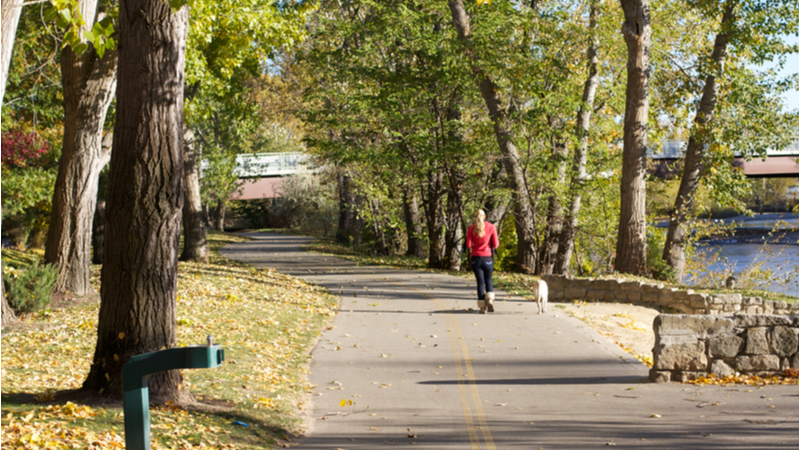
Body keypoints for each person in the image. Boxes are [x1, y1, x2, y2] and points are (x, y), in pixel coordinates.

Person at [466, 209, 499, 314]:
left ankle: (482, 307)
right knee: (488, 280)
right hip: (488, 258)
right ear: (484, 216)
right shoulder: (492, 227)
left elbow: (468, 245)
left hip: (476, 259)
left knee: (480, 282)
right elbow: (496, 244)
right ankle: (489, 299)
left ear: (475, 217)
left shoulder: (471, 228)